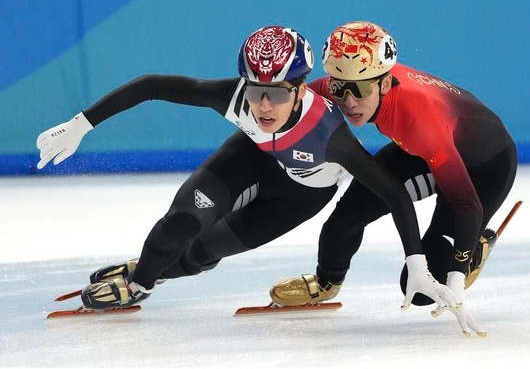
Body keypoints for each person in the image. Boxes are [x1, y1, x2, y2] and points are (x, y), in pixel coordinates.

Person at [36, 26, 459, 317]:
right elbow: (152, 85)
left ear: (299, 88)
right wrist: (81, 124)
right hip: (251, 157)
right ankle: (140, 282)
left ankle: (155, 267)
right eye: (256, 92)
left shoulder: (329, 135)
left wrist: (417, 261)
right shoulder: (234, 97)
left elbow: (391, 192)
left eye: (276, 94)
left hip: (301, 195)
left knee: (202, 254)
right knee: (182, 223)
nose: (263, 107)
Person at [269, 21, 518, 337]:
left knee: (422, 289)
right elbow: (280, 97)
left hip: (483, 168)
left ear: (385, 84)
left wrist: (457, 274)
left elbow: (467, 204)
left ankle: (476, 249)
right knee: (344, 220)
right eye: (338, 88)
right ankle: (326, 281)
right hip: (421, 153)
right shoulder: (354, 78)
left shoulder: (418, 120)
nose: (348, 102)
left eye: (358, 90)